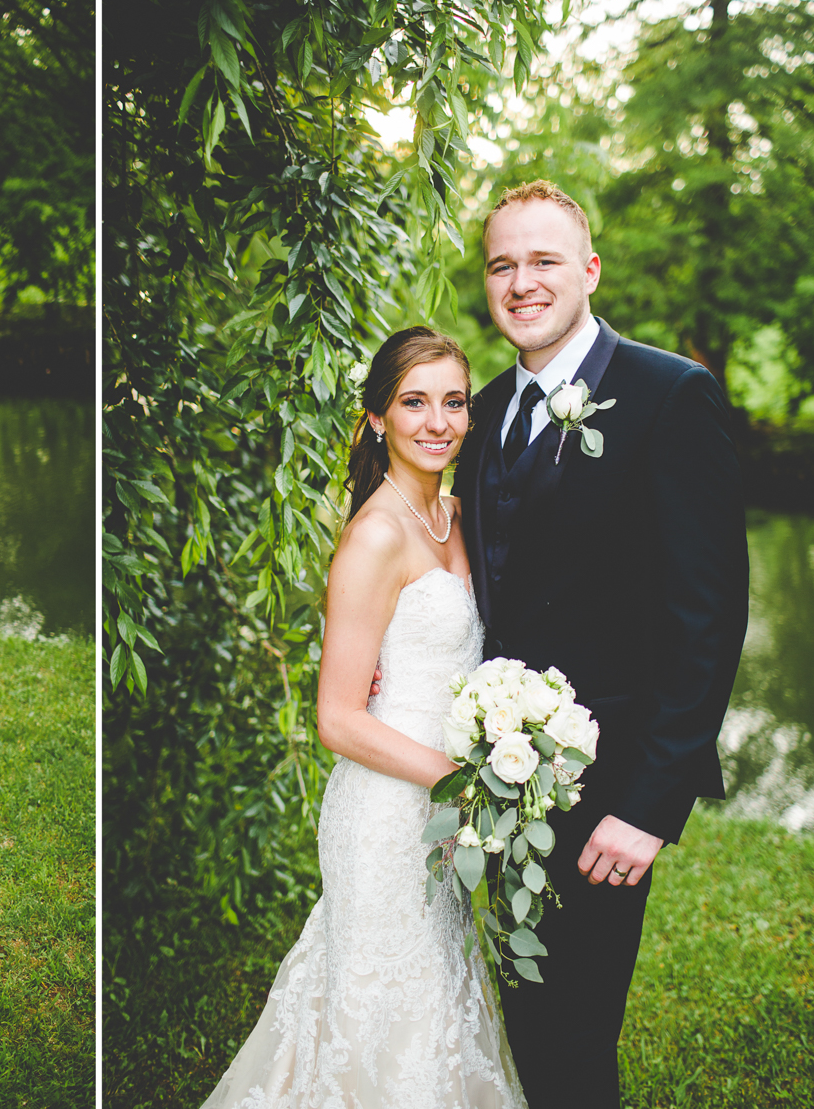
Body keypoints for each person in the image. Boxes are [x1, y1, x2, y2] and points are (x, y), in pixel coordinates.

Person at [455, 180, 748, 1108]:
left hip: (608, 797)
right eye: (503, 263)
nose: (521, 281)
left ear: (588, 270)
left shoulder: (670, 394)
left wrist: (651, 805)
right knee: (525, 1015)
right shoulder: (486, 410)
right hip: (499, 782)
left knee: (575, 1038)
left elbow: (710, 616)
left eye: (543, 260)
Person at [201, 328, 526, 1109]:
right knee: (383, 1001)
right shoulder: (376, 536)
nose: (437, 421)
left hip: (444, 813)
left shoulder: (452, 514)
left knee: (438, 993)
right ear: (377, 417)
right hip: (388, 812)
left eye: (454, 402)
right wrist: (465, 781)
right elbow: (338, 719)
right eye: (414, 402)